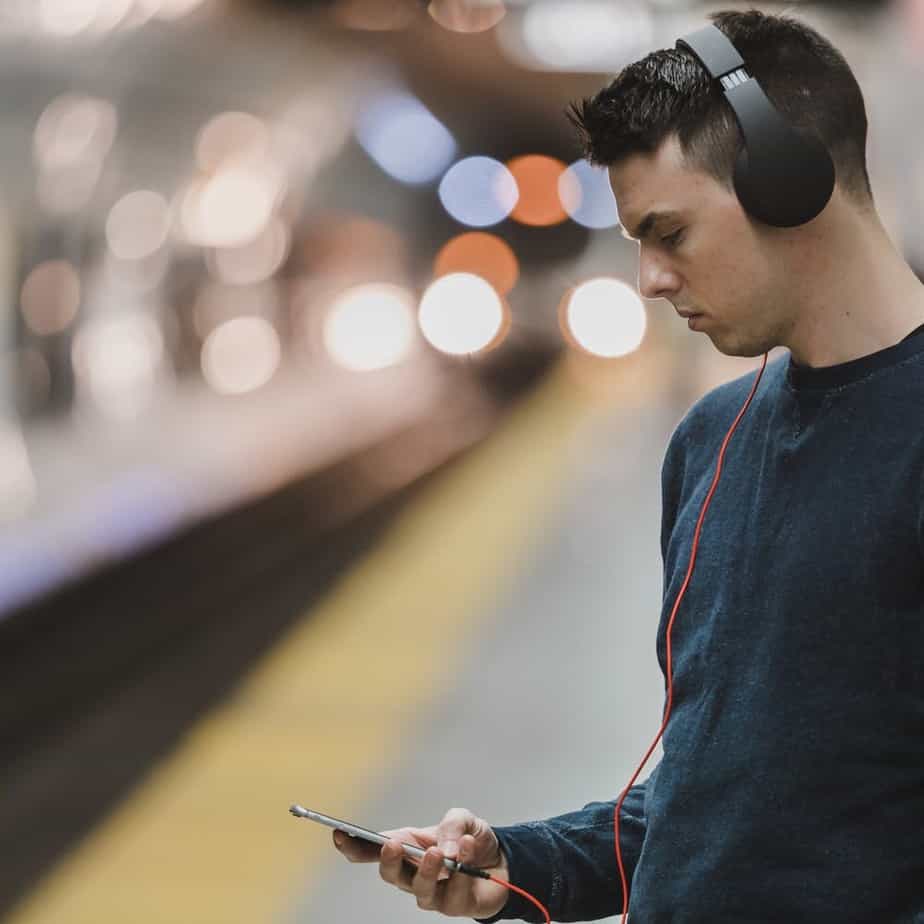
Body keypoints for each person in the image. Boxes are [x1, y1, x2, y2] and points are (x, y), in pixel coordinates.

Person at [334, 8, 924, 922]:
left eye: (670, 233)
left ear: (788, 186)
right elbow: (712, 800)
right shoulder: (708, 443)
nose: (648, 279)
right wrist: (520, 867)